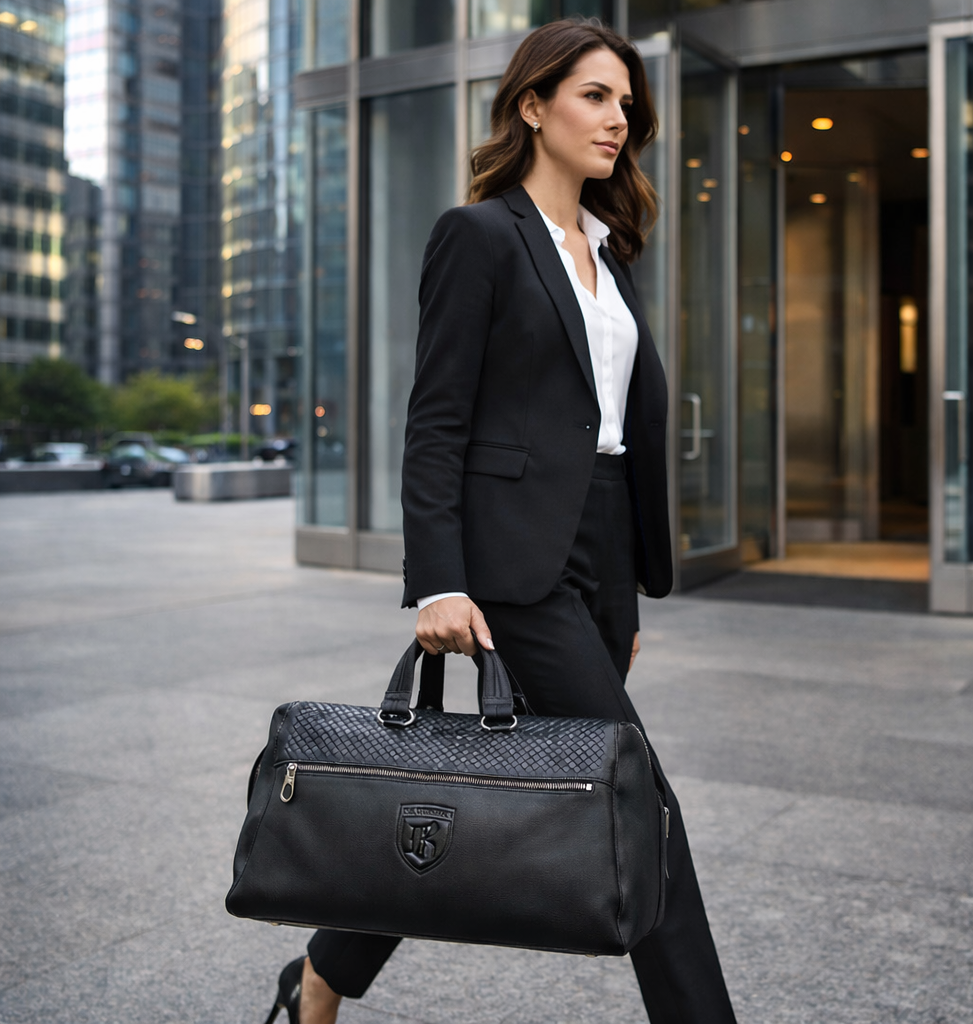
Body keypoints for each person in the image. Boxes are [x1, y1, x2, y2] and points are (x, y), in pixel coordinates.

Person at [263, 18, 737, 1024]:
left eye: (625, 104)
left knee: (471, 781)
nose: (619, 121)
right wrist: (439, 577)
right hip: (515, 567)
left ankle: (321, 974)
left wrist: (632, 581)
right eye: (595, 97)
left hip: (600, 556)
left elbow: (609, 429)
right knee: (640, 808)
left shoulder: (611, 254)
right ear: (532, 105)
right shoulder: (479, 235)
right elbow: (436, 420)